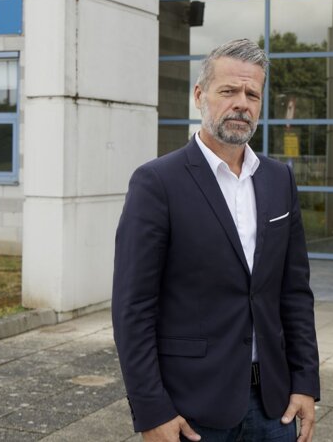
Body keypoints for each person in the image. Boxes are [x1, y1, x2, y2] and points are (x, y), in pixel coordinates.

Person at [112, 39, 320, 442]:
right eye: (228, 91)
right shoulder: (157, 182)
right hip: (191, 410)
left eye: (252, 94)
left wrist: (305, 382)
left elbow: (294, 293)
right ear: (199, 96)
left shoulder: (280, 181)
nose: (241, 103)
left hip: (273, 407)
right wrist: (152, 410)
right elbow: (132, 308)